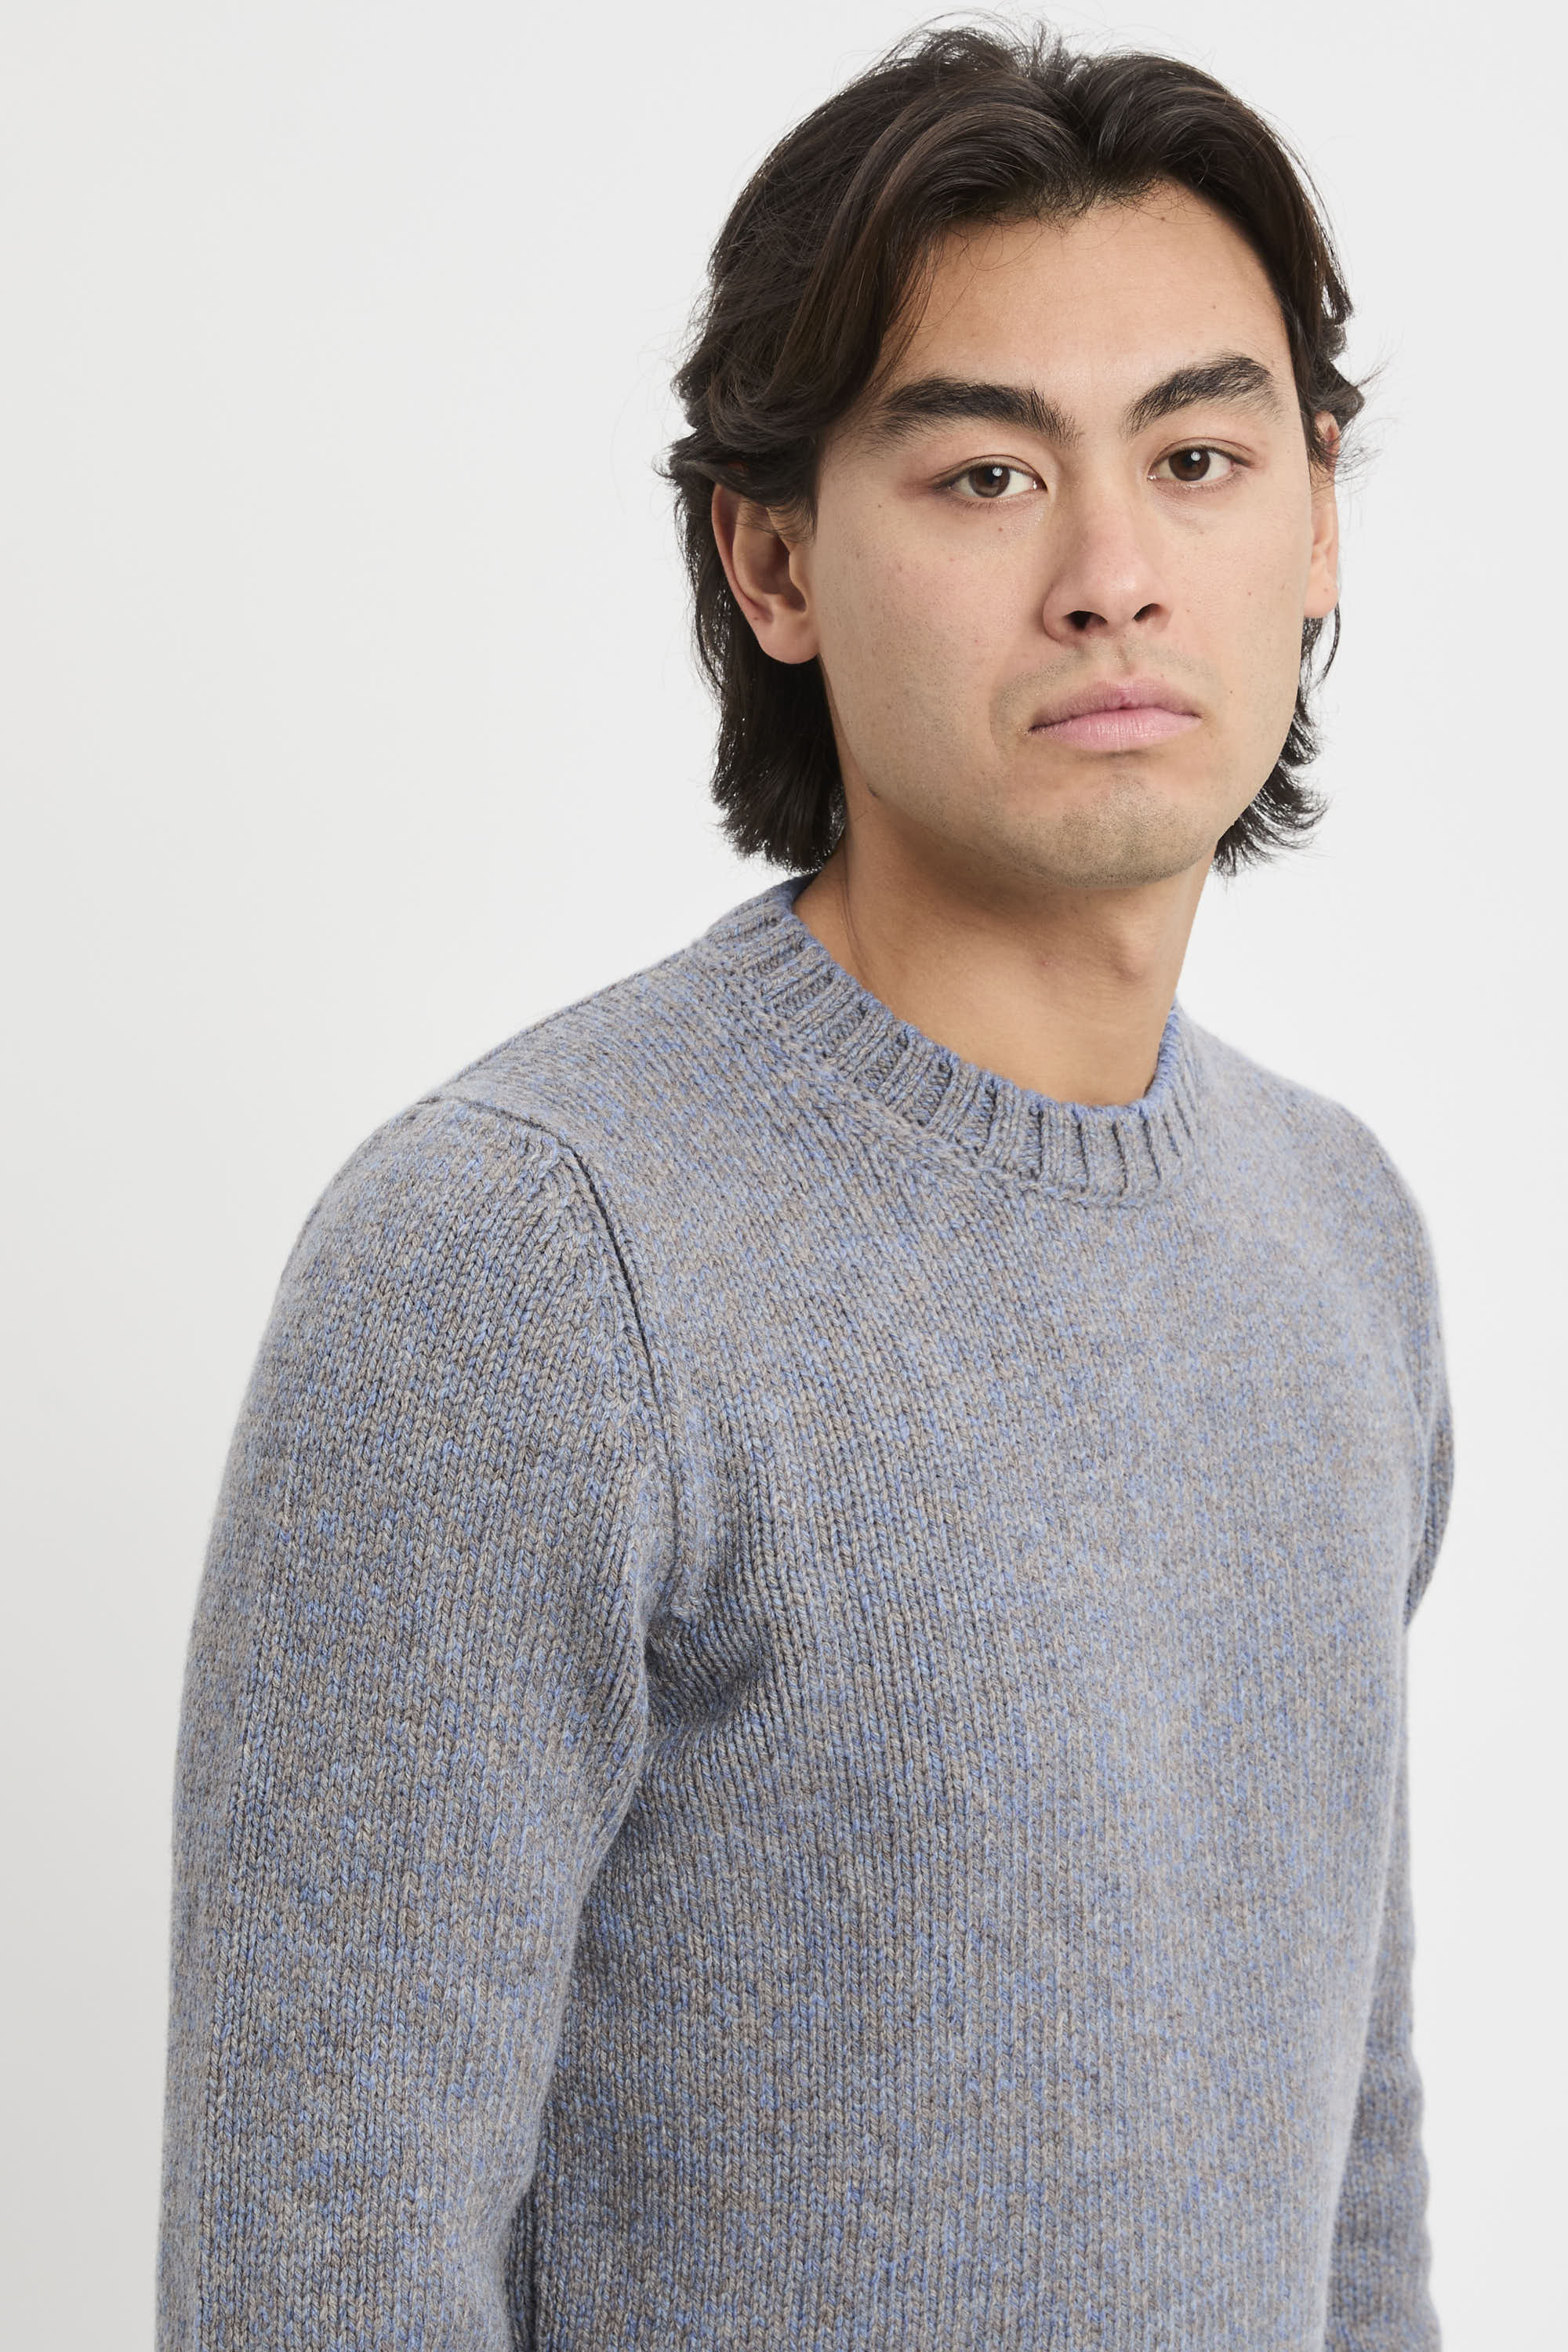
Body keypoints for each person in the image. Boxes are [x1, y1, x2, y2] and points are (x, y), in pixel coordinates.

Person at [157, 18, 1452, 2347]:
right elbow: (315, 2271)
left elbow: (1344, 2180)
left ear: (1318, 513)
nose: (1114, 574)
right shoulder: (525, 1262)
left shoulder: (1339, 1237)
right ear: (772, 559)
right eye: (985, 475)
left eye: (1198, 455)